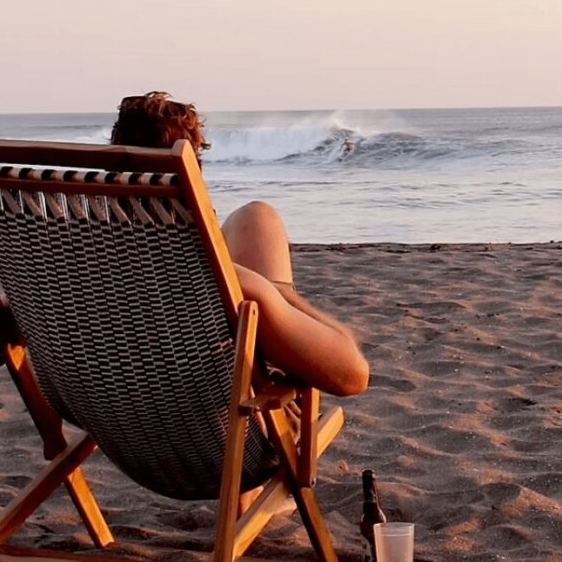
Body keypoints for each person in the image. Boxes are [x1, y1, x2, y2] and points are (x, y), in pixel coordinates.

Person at [110, 92, 370, 399]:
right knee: (264, 247)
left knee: (255, 216)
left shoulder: (66, 261)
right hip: (211, 430)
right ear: (192, 173)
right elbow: (352, 376)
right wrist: (279, 294)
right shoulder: (212, 277)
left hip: (110, 413)